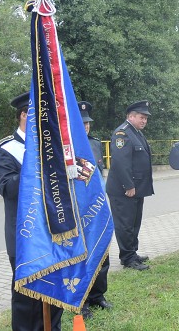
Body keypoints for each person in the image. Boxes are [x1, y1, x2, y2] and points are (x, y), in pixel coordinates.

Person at [0, 92, 63, 330]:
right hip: (24, 234)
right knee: (27, 295)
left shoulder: (52, 145)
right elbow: (7, 188)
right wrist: (34, 165)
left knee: (55, 287)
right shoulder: (6, 148)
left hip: (54, 230)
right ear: (24, 115)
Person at [106, 100, 154, 271]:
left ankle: (132, 253)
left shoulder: (136, 133)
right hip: (124, 190)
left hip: (136, 189)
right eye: (141, 117)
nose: (144, 121)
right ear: (131, 116)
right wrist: (128, 185)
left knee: (134, 223)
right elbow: (120, 162)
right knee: (125, 224)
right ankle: (127, 259)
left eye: (146, 118)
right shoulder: (122, 134)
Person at [77, 101, 112, 319]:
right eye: (82, 123)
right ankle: (82, 301)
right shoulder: (68, 148)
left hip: (98, 205)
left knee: (102, 250)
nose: (86, 126)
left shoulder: (96, 144)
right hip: (79, 209)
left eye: (88, 123)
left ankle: (98, 295)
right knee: (82, 255)